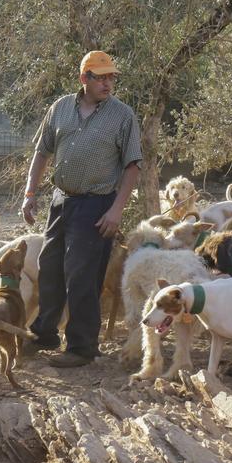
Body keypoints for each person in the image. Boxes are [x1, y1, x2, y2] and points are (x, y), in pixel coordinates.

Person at [19, 51, 143, 368]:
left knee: (82, 275)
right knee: (49, 266)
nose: (108, 82)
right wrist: (30, 191)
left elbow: (132, 167)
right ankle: (45, 332)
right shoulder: (60, 108)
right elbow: (41, 151)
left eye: (111, 77)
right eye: (101, 77)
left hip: (97, 204)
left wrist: (116, 211)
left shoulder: (123, 116)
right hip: (62, 200)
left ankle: (82, 346)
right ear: (84, 78)